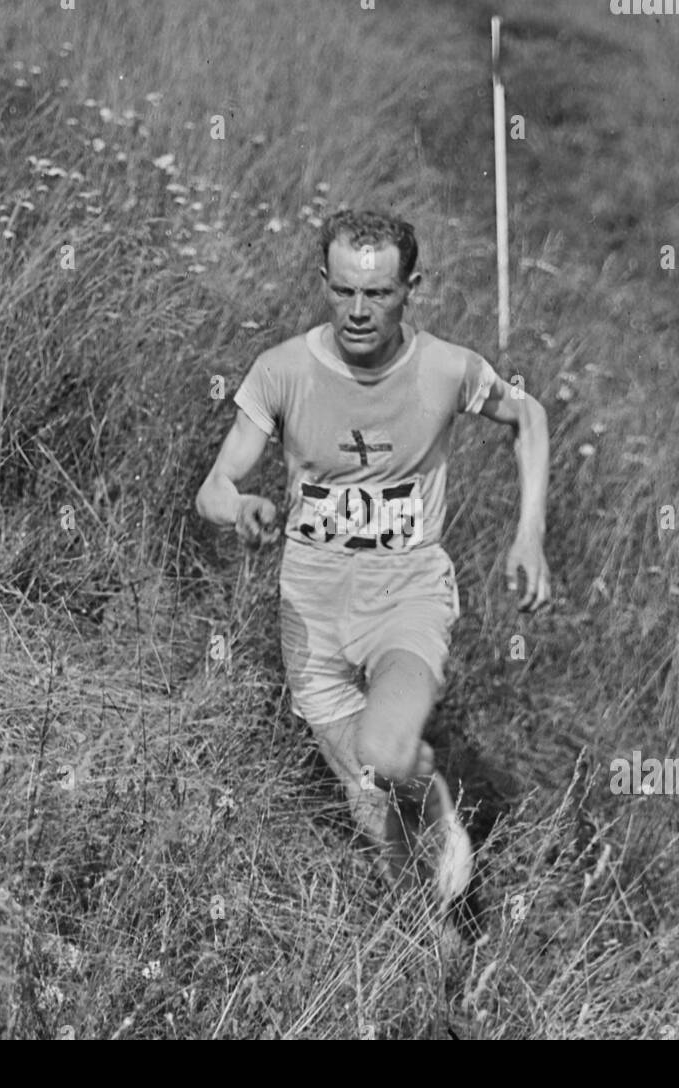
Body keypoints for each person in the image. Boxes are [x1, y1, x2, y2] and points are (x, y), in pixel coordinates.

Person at [195, 208, 551, 915]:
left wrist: (529, 533)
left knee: (388, 754)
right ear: (324, 280)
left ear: (410, 287)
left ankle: (434, 798)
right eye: (344, 291)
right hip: (310, 612)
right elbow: (214, 486)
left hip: (405, 597)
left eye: (379, 293)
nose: (359, 311)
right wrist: (241, 509)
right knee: (367, 797)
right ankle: (433, 943)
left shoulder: (448, 369)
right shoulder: (282, 370)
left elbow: (529, 415)